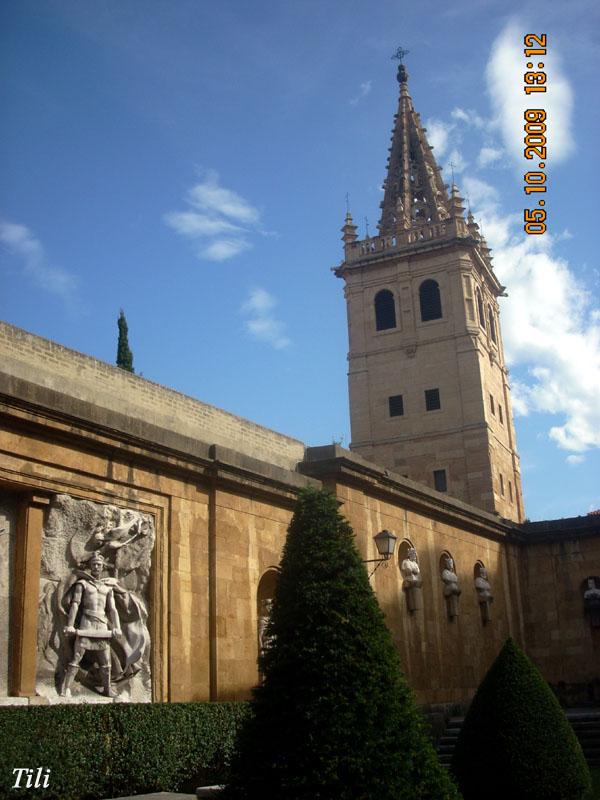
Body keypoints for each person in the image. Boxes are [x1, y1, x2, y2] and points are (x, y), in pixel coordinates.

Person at [60, 552, 121, 697]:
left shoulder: (108, 587)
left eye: (99, 564)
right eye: (93, 564)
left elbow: (112, 609)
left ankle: (106, 689)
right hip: (86, 623)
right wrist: (70, 625)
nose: (96, 567)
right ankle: (66, 688)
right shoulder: (83, 584)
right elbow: (75, 605)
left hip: (102, 625)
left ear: (103, 567)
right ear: (90, 566)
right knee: (76, 657)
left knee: (106, 662)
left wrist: (117, 627)